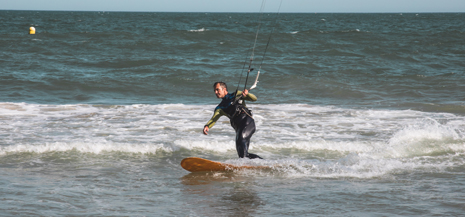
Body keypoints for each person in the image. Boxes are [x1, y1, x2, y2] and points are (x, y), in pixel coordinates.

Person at [203, 82, 263, 159]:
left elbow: (254, 99)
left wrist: (247, 94)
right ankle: (259, 164)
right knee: (243, 155)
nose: (216, 92)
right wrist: (207, 126)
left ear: (224, 89)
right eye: (215, 90)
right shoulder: (220, 107)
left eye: (217, 90)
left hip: (247, 123)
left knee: (241, 145)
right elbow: (213, 119)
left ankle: (262, 163)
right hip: (239, 129)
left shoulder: (236, 94)